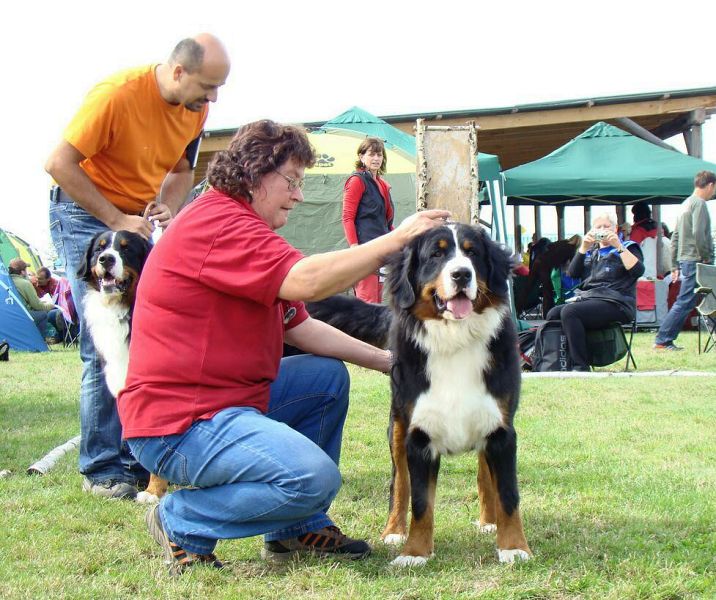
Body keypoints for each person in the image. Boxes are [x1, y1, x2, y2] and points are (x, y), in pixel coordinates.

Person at [117, 120, 450, 574]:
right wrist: (394, 241)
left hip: (220, 408)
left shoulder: (238, 225)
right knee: (311, 478)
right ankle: (182, 519)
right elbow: (307, 281)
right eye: (292, 182)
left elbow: (300, 327)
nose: (298, 195)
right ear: (255, 174)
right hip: (179, 425)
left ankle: (295, 529)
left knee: (325, 377)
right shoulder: (219, 224)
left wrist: (388, 361)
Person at [44, 34, 231, 500]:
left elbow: (182, 172)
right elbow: (58, 163)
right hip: (84, 211)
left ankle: (140, 456)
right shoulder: (117, 95)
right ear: (178, 72)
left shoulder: (195, 110)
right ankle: (103, 468)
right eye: (208, 86)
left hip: (132, 223)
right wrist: (114, 218)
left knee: (147, 335)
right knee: (101, 340)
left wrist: (166, 207)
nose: (212, 98)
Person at [546, 212, 644, 371]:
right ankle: (563, 360)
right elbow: (573, 274)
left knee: (570, 312)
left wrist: (618, 245)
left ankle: (580, 366)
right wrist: (583, 248)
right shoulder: (592, 253)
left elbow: (638, 271)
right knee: (553, 314)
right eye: (598, 227)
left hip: (618, 302)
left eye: (607, 227)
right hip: (591, 300)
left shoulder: (628, 247)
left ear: (615, 228)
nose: (603, 230)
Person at [654, 171, 716, 351]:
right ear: (710, 185)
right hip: (696, 259)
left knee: (690, 300)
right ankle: (663, 339)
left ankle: (664, 339)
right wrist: (705, 255)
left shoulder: (685, 204)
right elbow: (698, 233)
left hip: (685, 259)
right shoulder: (699, 204)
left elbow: (675, 237)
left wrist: (674, 264)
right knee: (688, 300)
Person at [341, 137, 395, 302]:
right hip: (365, 250)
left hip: (383, 249)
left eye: (379, 155)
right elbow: (347, 217)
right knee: (367, 301)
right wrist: (355, 248)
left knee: (381, 301)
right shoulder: (357, 181)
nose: (377, 158)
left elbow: (386, 222)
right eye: (372, 154)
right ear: (361, 156)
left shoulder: (382, 184)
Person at [7, 258, 55, 341]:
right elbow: (37, 306)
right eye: (26, 269)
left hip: (8, 316)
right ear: (22, 272)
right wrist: (52, 305)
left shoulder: (6, 281)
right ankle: (38, 341)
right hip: (22, 315)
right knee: (42, 314)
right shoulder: (25, 283)